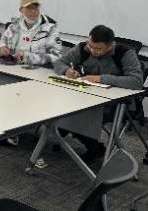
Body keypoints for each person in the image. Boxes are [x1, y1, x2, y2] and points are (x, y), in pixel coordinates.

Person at [53, 24, 143, 160]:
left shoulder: (125, 53)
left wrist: (101, 78)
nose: (93, 51)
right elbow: (59, 63)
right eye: (91, 46)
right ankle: (64, 131)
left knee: (77, 114)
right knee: (60, 107)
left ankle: (92, 147)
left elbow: (136, 81)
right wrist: (67, 71)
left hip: (114, 103)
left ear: (111, 45)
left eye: (99, 49)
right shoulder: (83, 48)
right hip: (85, 96)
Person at [0, 0, 62, 65]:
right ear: (21, 10)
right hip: (12, 65)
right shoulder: (14, 26)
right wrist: (1, 47)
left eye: (36, 8)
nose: (33, 11)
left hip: (36, 68)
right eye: (29, 8)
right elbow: (2, 41)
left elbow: (56, 56)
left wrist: (29, 57)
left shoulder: (50, 29)